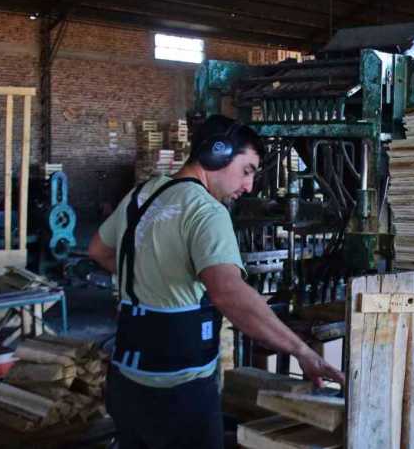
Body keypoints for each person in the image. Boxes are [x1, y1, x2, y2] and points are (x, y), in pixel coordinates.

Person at [88, 115, 344, 449]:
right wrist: (301, 350)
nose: (249, 186)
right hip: (179, 391)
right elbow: (228, 294)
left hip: (126, 381)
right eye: (247, 170)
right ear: (216, 154)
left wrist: (153, 278)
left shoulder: (142, 195)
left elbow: (98, 250)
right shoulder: (206, 211)